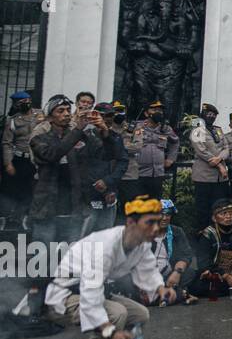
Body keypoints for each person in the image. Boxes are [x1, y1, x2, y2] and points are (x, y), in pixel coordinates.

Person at [43, 196, 174, 339]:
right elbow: (90, 298)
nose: (155, 228)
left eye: (157, 222)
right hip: (62, 298)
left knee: (140, 314)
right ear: (131, 222)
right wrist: (111, 332)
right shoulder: (104, 247)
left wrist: (161, 288)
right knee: (116, 314)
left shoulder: (142, 242)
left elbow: (147, 271)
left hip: (93, 292)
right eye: (149, 222)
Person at [29, 94, 102, 249]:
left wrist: (103, 129)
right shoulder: (40, 138)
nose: (67, 114)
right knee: (44, 250)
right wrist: (77, 130)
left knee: (70, 250)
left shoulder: (78, 133)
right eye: (60, 111)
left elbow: (101, 153)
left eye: (68, 110)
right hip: (48, 203)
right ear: (50, 118)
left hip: (73, 203)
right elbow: (53, 154)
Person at [80, 101, 127, 236]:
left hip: (109, 193)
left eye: (110, 115)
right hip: (88, 193)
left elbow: (122, 162)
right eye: (103, 115)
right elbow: (82, 165)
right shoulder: (85, 135)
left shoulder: (115, 137)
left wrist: (108, 183)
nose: (107, 119)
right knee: (84, 235)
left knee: (106, 234)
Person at [119, 100, 179, 204]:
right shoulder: (136, 127)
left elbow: (175, 142)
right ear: (146, 113)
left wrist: (170, 159)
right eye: (154, 110)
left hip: (157, 174)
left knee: (154, 206)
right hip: (137, 174)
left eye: (160, 110)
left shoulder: (165, 128)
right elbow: (125, 143)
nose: (158, 112)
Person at [2, 89, 42, 230]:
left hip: (38, 158)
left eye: (27, 101)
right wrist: (8, 163)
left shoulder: (41, 115)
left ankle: (27, 216)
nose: (25, 104)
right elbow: (7, 143)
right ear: (16, 105)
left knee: (34, 190)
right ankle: (12, 218)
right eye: (21, 102)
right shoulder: (13, 121)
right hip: (21, 159)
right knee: (16, 189)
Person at [189, 102, 228, 221]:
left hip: (219, 178)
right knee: (203, 208)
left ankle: (217, 232)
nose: (211, 116)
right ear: (203, 114)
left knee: (219, 206)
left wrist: (220, 158)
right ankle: (202, 234)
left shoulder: (218, 130)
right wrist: (220, 166)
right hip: (204, 177)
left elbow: (226, 147)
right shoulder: (197, 130)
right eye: (209, 114)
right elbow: (201, 151)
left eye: (214, 114)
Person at [151, 198, 196, 301]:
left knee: (190, 272)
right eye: (161, 214)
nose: (164, 218)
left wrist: (177, 272)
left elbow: (186, 255)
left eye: (168, 215)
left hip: (168, 276)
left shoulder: (177, 232)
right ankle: (180, 295)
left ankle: (166, 295)